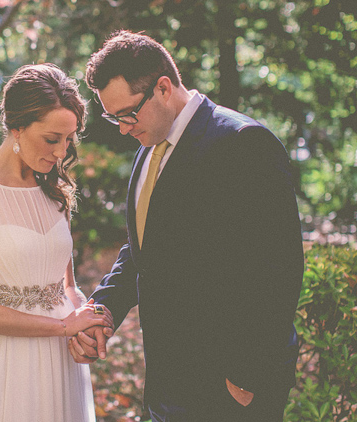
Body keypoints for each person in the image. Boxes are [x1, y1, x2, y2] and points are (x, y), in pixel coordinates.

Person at [68, 30, 304, 422]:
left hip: (229, 387)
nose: (124, 128)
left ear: (163, 88)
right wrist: (105, 309)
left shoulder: (243, 143)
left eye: (128, 114)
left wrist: (247, 377)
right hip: (167, 381)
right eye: (114, 118)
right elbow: (144, 246)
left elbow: (278, 269)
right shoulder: (149, 149)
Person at [0, 63, 113, 422]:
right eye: (52, 139)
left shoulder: (55, 191)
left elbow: (66, 286)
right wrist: (63, 327)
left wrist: (87, 319)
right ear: (16, 127)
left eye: (69, 139)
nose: (60, 152)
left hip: (61, 360)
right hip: (3, 358)